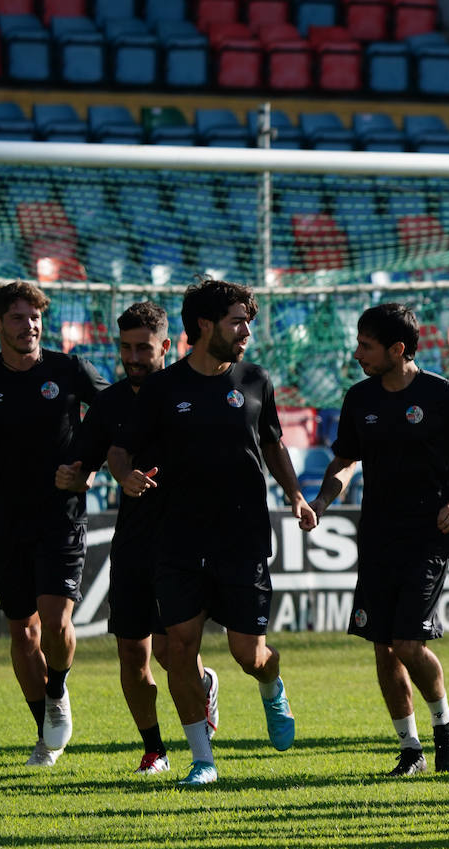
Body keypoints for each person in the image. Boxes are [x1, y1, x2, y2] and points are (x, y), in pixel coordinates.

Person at [109, 277, 315, 786]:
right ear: (204, 326)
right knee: (179, 648)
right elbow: (120, 449)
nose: (246, 330)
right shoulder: (161, 388)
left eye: (248, 320)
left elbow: (273, 445)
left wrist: (294, 494)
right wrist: (124, 475)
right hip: (176, 537)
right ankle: (203, 760)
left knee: (250, 655)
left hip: (242, 535)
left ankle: (272, 687)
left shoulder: (255, 379)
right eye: (236, 320)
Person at [306, 303, 449, 777]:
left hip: (428, 534)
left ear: (398, 350)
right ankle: (410, 748)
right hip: (377, 535)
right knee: (382, 645)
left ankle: (445, 723)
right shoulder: (359, 399)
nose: (357, 354)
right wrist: (322, 502)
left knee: (407, 641)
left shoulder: (442, 394)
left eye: (366, 346)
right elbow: (346, 461)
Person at [0, 280, 108, 767]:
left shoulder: (68, 368)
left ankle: (58, 692)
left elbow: (116, 414)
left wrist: (89, 468)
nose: (29, 325)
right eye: (17, 317)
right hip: (6, 523)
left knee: (55, 623)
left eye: (35, 317)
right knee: (23, 635)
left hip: (62, 516)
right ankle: (45, 728)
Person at [54, 302, 220, 774]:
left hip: (184, 542)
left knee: (171, 652)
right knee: (132, 650)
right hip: (133, 542)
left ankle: (202, 686)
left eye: (142, 348)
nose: (132, 357)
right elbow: (81, 463)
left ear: (166, 346)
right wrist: (72, 474)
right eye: (125, 348)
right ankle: (154, 749)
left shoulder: (193, 390)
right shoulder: (110, 404)